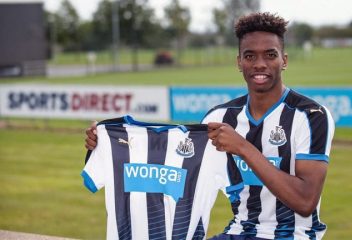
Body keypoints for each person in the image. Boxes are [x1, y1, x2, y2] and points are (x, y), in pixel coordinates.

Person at [85, 12, 335, 240]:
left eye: (270, 54)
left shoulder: (311, 116)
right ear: (239, 62)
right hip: (239, 230)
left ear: (284, 60)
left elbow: (305, 201)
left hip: (293, 235)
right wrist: (113, 144)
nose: (260, 64)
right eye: (250, 56)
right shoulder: (220, 117)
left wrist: (244, 148)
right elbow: (174, 165)